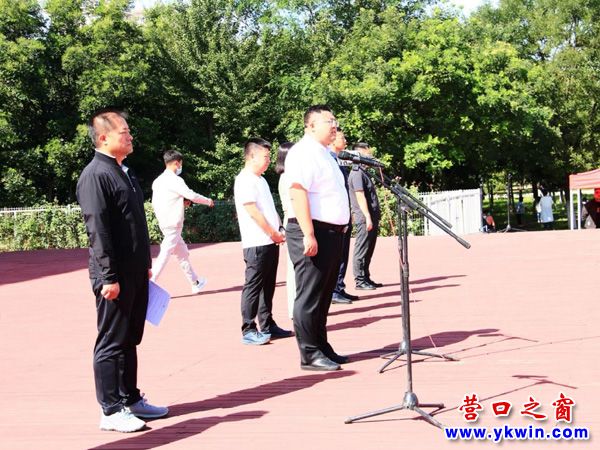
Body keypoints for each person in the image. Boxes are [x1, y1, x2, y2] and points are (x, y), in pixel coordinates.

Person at [76, 108, 168, 433]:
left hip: (134, 272)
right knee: (112, 341)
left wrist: (144, 265)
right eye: (124, 132)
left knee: (129, 338)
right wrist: (108, 276)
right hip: (113, 276)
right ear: (103, 138)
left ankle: (130, 398)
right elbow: (98, 230)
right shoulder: (95, 175)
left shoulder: (122, 171)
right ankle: (111, 409)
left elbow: (132, 225)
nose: (130, 137)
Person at [284, 105, 350, 371]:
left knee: (323, 296)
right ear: (310, 126)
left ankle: (321, 346)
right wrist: (308, 234)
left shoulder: (325, 153)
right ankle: (309, 353)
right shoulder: (303, 152)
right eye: (328, 121)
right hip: (312, 230)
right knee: (310, 295)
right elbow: (298, 192)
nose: (334, 126)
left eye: (335, 121)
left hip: (331, 232)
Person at [234, 138, 293, 345]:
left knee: (268, 285)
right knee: (254, 285)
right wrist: (271, 233)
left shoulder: (261, 180)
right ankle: (248, 328)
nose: (269, 160)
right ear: (251, 157)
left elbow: (269, 209)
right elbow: (252, 211)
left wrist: (279, 229)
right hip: (256, 242)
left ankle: (267, 324)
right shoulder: (245, 179)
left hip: (270, 240)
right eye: (265, 156)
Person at [151, 150, 214, 294]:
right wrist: (208, 201)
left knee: (182, 253)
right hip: (174, 223)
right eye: (180, 164)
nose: (181, 167)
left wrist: (180, 204)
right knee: (165, 253)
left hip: (165, 222)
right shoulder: (175, 180)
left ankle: (195, 282)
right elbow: (191, 195)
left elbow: (162, 202)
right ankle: (150, 281)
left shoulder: (158, 181)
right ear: (176, 163)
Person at [330, 128, 359, 304]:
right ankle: (333, 290)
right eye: (342, 137)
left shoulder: (339, 161)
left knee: (344, 253)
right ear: (333, 139)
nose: (346, 141)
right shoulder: (330, 161)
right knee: (337, 255)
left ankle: (339, 287)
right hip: (334, 217)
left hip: (344, 213)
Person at [348, 142, 382, 290]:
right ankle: (360, 280)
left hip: (371, 216)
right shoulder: (357, 173)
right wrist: (367, 216)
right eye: (367, 155)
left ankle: (366, 277)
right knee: (362, 248)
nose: (370, 157)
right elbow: (360, 196)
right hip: (363, 217)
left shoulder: (364, 172)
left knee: (369, 248)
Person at [276, 142, 296, 319]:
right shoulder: (287, 177)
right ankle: (294, 308)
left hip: (293, 220)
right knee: (294, 268)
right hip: (292, 221)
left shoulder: (289, 176)